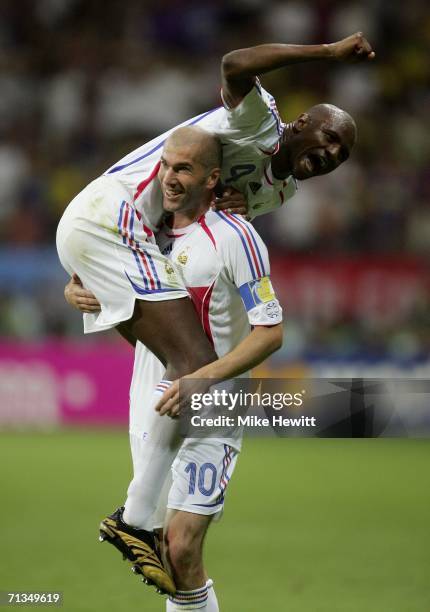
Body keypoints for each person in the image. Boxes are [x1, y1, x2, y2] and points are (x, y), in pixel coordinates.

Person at [58, 30, 374, 597]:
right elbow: (234, 63)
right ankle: (134, 522)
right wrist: (327, 54)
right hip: (114, 227)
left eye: (342, 155)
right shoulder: (259, 123)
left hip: (204, 366)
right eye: (328, 138)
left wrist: (96, 279)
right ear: (298, 125)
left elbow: (186, 246)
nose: (331, 156)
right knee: (176, 537)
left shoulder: (269, 203)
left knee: (181, 544)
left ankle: (133, 521)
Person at [66, 126, 283, 611]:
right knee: (166, 552)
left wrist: (202, 377)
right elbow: (111, 298)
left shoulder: (237, 236)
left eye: (183, 168)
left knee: (183, 544)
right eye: (165, 165)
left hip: (215, 403)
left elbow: (271, 331)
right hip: (150, 398)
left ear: (213, 178)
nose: (168, 177)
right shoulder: (141, 235)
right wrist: (76, 292)